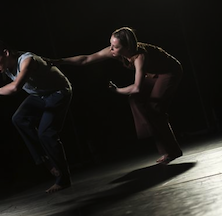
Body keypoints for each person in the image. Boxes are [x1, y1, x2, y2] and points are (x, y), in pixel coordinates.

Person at [45, 27, 183, 164]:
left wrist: (117, 91)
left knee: (155, 109)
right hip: (153, 73)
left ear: (127, 47)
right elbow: (86, 59)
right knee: (135, 100)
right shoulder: (115, 52)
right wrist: (60, 61)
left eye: (115, 47)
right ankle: (152, 133)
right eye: (111, 45)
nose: (111, 49)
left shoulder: (140, 56)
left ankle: (172, 150)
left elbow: (136, 87)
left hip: (169, 72)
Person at [0, 32, 72, 193]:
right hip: (39, 94)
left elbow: (16, 87)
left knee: (46, 133)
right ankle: (45, 160)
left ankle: (64, 179)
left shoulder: (27, 60)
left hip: (58, 92)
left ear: (6, 53)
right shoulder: (0, 62)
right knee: (19, 118)